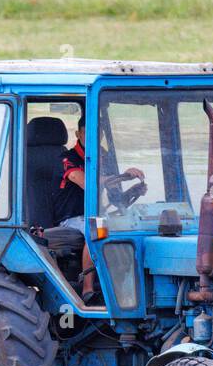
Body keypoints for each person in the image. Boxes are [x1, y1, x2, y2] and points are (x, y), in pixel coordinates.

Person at [54, 113, 145, 302]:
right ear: (78, 134)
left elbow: (114, 195)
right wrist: (121, 176)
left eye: (98, 134)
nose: (94, 138)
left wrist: (132, 191)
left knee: (132, 226)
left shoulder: (102, 156)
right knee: (97, 229)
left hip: (95, 214)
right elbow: (86, 182)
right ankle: (88, 290)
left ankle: (128, 288)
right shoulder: (66, 158)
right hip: (71, 217)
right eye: (88, 133)